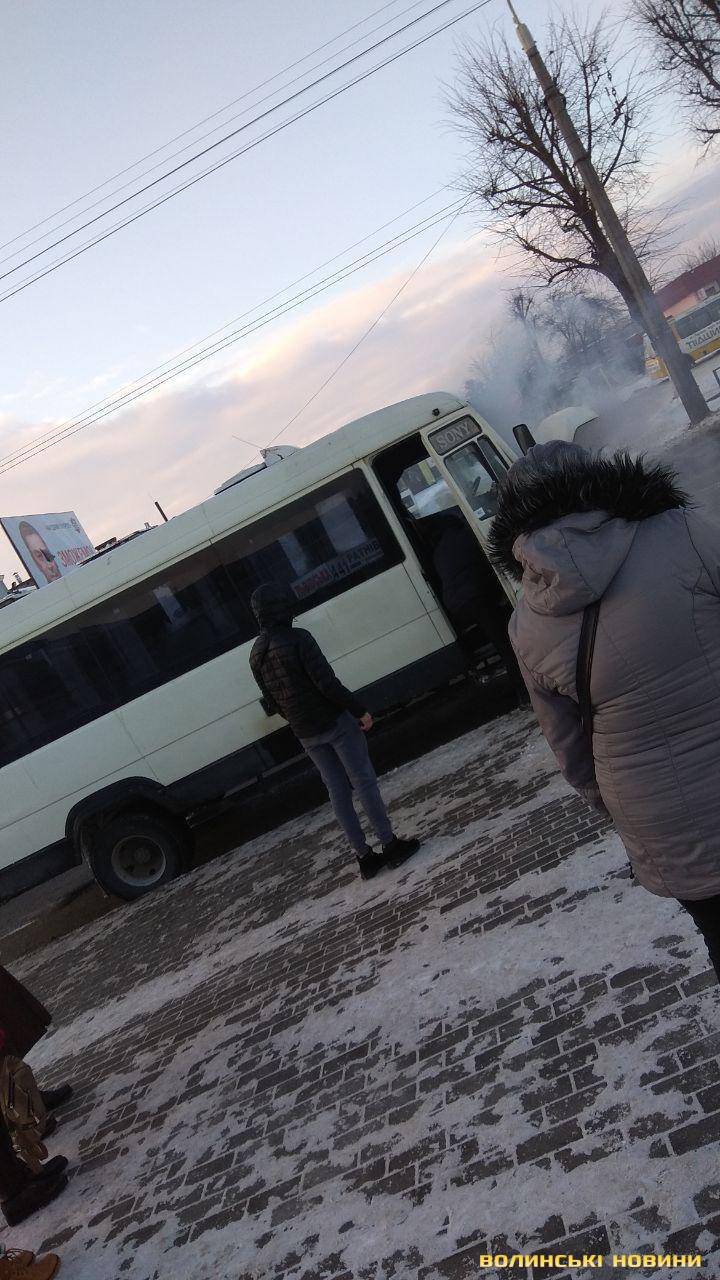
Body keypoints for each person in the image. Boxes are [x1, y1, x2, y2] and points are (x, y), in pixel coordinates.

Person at [488, 439, 720, 978]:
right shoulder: (680, 531)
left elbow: (571, 754)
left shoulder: (526, 624)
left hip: (660, 819)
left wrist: (619, 808)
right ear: (600, 477)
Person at [249, 583, 420, 879]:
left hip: (305, 732)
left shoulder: (256, 653)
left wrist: (296, 718)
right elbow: (327, 683)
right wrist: (359, 710)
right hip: (334, 722)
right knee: (363, 781)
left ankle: (364, 857)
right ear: (283, 607)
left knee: (337, 791)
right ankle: (390, 845)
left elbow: (272, 701)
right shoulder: (299, 638)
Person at [424, 509, 529, 701]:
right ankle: (524, 692)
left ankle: (524, 689)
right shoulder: (465, 537)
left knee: (501, 638)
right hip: (475, 598)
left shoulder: (439, 550)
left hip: (457, 605)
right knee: (506, 644)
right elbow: (486, 560)